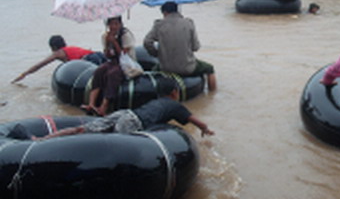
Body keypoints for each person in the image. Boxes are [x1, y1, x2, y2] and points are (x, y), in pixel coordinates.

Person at [34, 77, 214, 140]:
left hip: (125, 113)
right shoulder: (175, 106)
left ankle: (44, 139)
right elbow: (195, 121)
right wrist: (206, 129)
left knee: (81, 129)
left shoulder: (158, 100)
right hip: (133, 122)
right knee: (113, 144)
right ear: (175, 92)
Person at [143, 1, 217, 91]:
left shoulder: (159, 25)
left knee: (153, 70)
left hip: (165, 68)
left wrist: (156, 53)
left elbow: (147, 42)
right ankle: (212, 94)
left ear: (165, 12)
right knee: (209, 68)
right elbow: (195, 47)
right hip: (188, 67)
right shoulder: (189, 23)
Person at [81, 16, 137, 116]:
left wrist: (114, 42)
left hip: (127, 63)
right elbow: (107, 55)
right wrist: (108, 43)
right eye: (111, 24)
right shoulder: (105, 36)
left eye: (116, 24)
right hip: (114, 61)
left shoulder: (126, 35)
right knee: (99, 70)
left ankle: (104, 106)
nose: (113, 27)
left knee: (113, 74)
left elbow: (123, 55)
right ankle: (91, 103)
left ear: (120, 24)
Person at [11, 35, 106, 83]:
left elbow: (40, 64)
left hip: (91, 60)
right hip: (98, 55)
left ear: (53, 47)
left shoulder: (58, 53)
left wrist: (24, 74)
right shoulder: (69, 49)